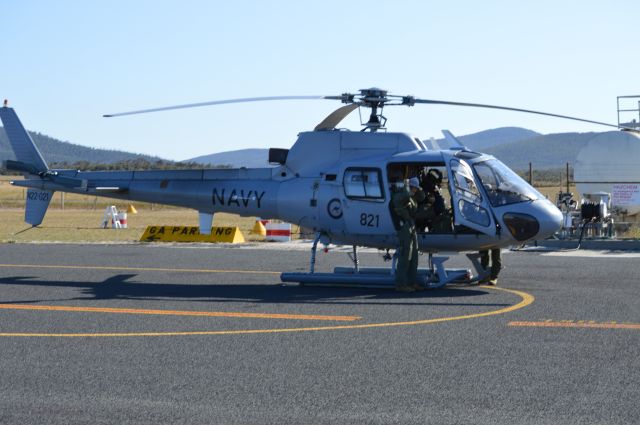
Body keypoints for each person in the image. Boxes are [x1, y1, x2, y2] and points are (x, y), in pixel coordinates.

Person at [390, 177, 422, 292]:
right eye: (414, 188)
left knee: (414, 254)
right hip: (403, 226)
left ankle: (411, 282)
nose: (415, 191)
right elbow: (402, 198)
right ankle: (401, 284)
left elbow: (421, 197)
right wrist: (406, 187)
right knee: (405, 254)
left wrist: (418, 189)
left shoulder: (411, 197)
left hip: (410, 225)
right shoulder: (400, 195)